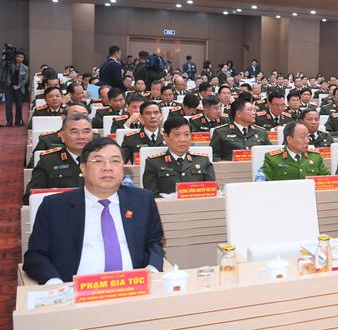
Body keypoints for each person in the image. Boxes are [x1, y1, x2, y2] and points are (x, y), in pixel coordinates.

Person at [23, 137, 164, 285]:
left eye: (115, 161)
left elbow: (154, 242)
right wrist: (55, 283)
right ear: (83, 168)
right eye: (98, 161)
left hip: (133, 286)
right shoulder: (54, 206)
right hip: (75, 290)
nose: (107, 167)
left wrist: (152, 270)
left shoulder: (142, 200)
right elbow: (35, 254)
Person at [24, 113, 92, 203]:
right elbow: (30, 196)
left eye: (86, 132)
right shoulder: (49, 160)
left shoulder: (104, 159)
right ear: (62, 136)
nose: (81, 136)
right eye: (75, 132)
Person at [142, 115, 216, 195]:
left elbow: (213, 191)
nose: (183, 139)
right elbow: (151, 196)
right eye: (177, 135)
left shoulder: (203, 161)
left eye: (186, 134)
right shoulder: (153, 163)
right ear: (166, 137)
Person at [262, 121, 330, 180]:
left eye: (308, 136)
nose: (307, 141)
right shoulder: (273, 159)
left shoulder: (315, 157)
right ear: (289, 139)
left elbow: (327, 180)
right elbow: (262, 183)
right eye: (302, 137)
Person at [4, 50, 29, 127]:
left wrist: (18, 86)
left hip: (19, 89)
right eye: (17, 56)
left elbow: (25, 79)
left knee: (19, 105)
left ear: (23, 58)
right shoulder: (10, 66)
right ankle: (9, 122)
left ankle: (18, 121)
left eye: (21, 57)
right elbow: (7, 76)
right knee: (8, 105)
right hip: (9, 88)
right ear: (15, 57)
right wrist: (11, 85)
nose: (19, 58)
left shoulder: (25, 68)